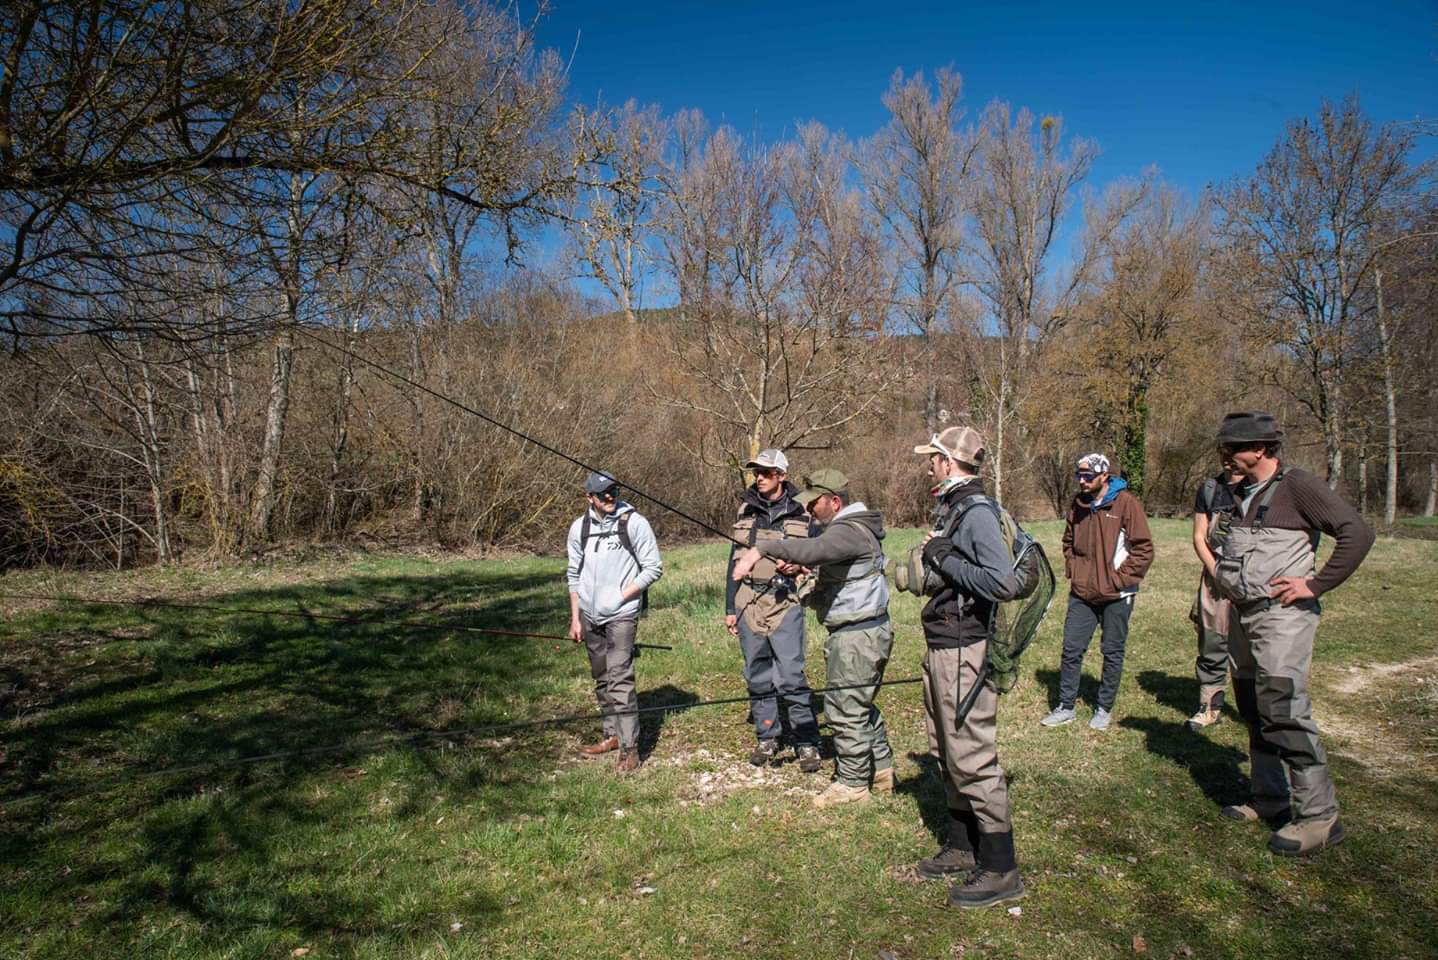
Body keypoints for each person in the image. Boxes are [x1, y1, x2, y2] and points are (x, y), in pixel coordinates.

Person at [1210, 411, 1373, 856]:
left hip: (1282, 616)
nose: (1225, 456)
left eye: (1232, 448)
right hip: (1242, 614)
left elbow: (1356, 532)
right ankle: (1270, 797)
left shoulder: (1299, 486)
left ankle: (1320, 817)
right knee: (1252, 703)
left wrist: (1315, 584)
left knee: (1283, 705)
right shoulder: (1239, 491)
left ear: (1259, 449)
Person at [908, 426, 1024, 910]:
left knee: (972, 757)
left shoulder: (975, 512)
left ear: (949, 462)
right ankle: (961, 846)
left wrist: (939, 555)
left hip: (963, 649)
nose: (927, 465)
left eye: (932, 458)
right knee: (946, 750)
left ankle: (1000, 870)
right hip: (943, 645)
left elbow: (1003, 583)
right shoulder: (954, 506)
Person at [730, 468, 895, 808]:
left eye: (814, 503)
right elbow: (829, 563)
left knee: (842, 709)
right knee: (858, 704)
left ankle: (851, 784)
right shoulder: (849, 530)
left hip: (858, 635)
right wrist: (804, 570)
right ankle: (881, 770)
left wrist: (762, 548)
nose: (809, 510)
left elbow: (817, 548)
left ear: (835, 501)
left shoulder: (850, 529)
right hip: (857, 630)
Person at [1041, 453, 1154, 731]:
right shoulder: (1078, 505)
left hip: (1117, 594)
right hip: (1082, 592)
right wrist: (1075, 570)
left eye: (1087, 476)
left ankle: (1103, 709)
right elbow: (1068, 541)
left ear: (1104, 476)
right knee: (1071, 649)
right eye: (1078, 475)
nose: (1082, 481)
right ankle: (1065, 706)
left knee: (1112, 650)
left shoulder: (1126, 504)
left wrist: (1119, 580)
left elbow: (1143, 549)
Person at [566, 471, 663, 773]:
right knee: (602, 677)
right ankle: (610, 735)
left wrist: (623, 595)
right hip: (589, 615)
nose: (610, 498)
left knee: (620, 678)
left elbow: (653, 568)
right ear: (589, 498)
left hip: (622, 614)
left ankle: (629, 749)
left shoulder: (634, 523)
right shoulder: (579, 528)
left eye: (614, 492)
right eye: (603, 494)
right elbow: (573, 575)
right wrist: (575, 618)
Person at [1187, 460, 1246, 729]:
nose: (1227, 457)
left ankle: (1263, 710)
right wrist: (1217, 573)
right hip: (1215, 579)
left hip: (1255, 581)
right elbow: (1200, 536)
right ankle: (1210, 706)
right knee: (1212, 644)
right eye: (1223, 451)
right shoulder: (1211, 489)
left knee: (1255, 648)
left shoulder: (1267, 488)